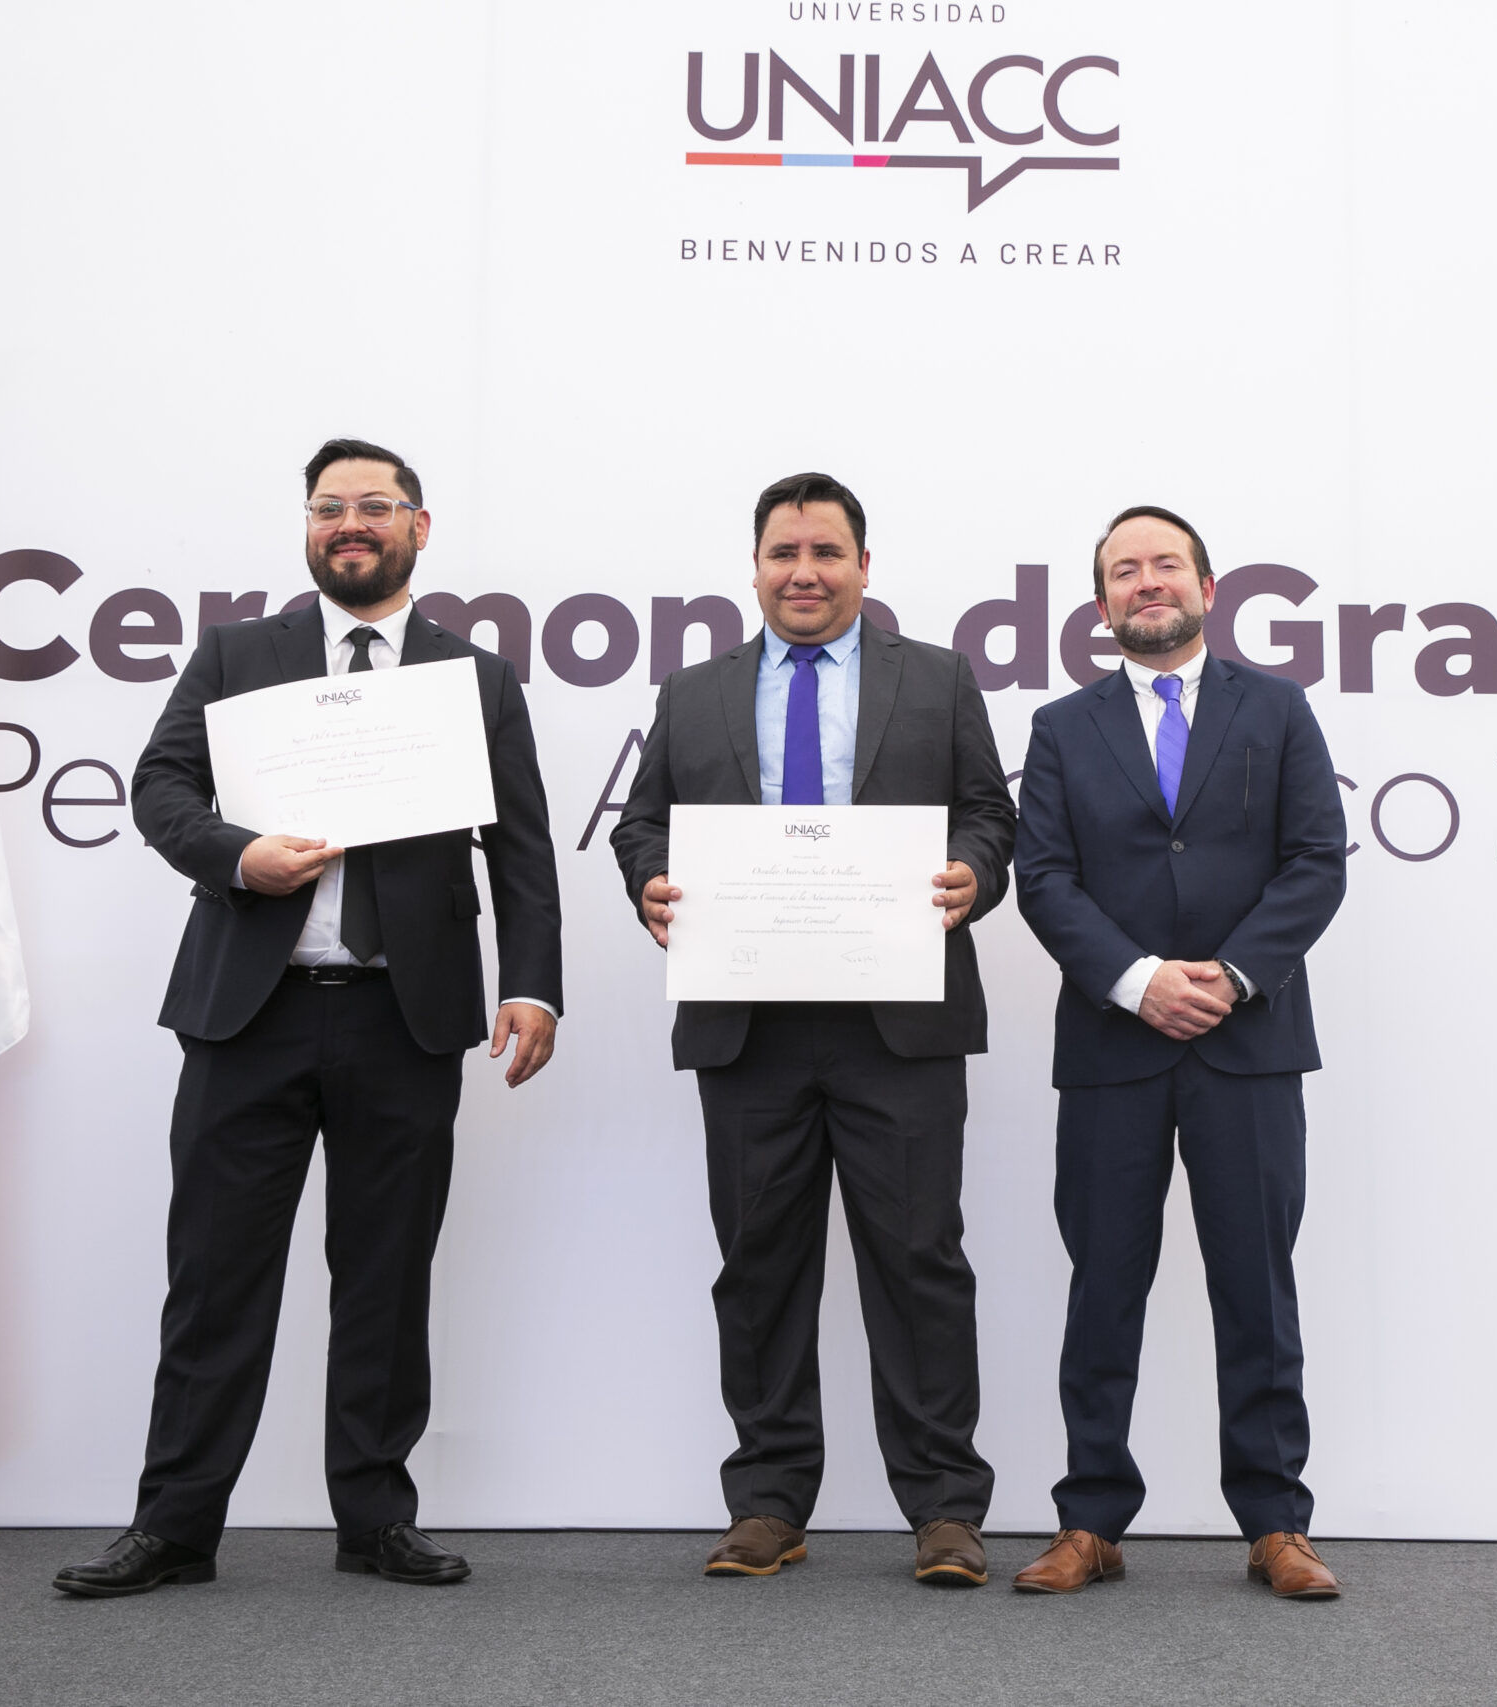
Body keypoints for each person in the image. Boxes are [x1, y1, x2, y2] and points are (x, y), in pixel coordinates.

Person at [55, 438, 562, 1597]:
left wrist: (531, 984)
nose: (350, 524)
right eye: (328, 507)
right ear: (307, 528)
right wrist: (240, 856)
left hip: (404, 1019)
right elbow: (160, 787)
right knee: (215, 1279)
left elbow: (522, 850)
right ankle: (175, 1528)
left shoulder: (474, 678)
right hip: (250, 1016)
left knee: (385, 1279)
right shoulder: (239, 654)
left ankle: (375, 1519)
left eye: (374, 505)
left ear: (418, 527)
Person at [610, 471, 1015, 1586]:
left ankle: (945, 1507)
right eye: (783, 552)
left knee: (919, 1263)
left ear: (864, 567)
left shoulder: (938, 678)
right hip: (749, 1026)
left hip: (901, 1025)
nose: (804, 572)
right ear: (753, 569)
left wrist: (971, 872)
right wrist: (650, 882)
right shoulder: (694, 691)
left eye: (826, 552)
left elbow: (991, 812)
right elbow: (642, 824)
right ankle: (769, 1501)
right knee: (760, 1267)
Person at [1008, 504, 1348, 1599]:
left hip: (1249, 1044)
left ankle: (1276, 1523)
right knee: (1103, 1288)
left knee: (1257, 1288)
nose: (1145, 582)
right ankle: (1090, 1521)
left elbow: (1315, 859)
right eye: (1124, 570)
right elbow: (1043, 877)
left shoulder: (1278, 708)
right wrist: (1137, 979)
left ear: (1207, 586)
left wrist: (1231, 976)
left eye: (1165, 565)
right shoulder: (1062, 727)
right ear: (1101, 600)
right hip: (1113, 1047)